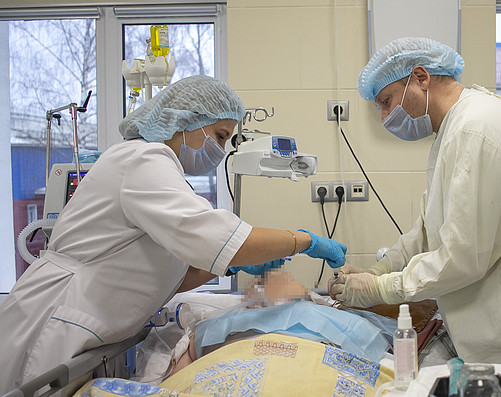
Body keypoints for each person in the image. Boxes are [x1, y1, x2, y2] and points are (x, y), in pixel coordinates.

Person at [0, 75, 346, 392]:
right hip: (56, 320)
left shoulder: (159, 171)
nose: (221, 150)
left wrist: (231, 266)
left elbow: (164, 277)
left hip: (87, 325)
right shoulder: (143, 160)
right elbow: (221, 237)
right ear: (185, 121)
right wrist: (303, 240)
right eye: (220, 136)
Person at [329, 37, 501, 365]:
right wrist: (379, 269)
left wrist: (381, 288)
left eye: (386, 101)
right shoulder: (457, 128)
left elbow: (463, 256)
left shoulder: (475, 129)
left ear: (421, 78)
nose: (384, 116)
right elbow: (428, 228)